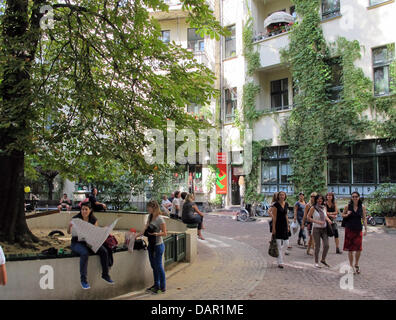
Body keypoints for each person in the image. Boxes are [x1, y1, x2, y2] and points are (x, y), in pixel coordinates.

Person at [67, 202, 114, 289]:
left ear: (90, 210)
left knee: (104, 251)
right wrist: (69, 227)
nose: (84, 211)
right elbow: (69, 232)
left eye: (86, 209)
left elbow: (96, 233)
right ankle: (83, 280)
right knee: (84, 253)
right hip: (77, 243)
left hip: (89, 242)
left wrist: (103, 230)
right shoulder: (76, 218)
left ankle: (105, 274)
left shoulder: (93, 219)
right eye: (82, 209)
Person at [136, 200, 167, 294]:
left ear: (153, 207)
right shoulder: (149, 217)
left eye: (148, 207)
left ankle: (162, 287)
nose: (147, 209)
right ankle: (156, 285)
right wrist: (135, 236)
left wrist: (156, 234)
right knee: (153, 266)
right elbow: (144, 229)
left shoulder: (160, 219)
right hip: (151, 245)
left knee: (158, 266)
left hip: (158, 245)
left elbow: (165, 233)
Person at [342, 191, 367, 274]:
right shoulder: (347, 206)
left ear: (359, 197)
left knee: (359, 249)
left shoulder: (362, 207)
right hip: (349, 229)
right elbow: (342, 215)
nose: (355, 198)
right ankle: (351, 265)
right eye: (353, 196)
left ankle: (356, 264)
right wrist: (347, 214)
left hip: (358, 229)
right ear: (351, 198)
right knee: (350, 249)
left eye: (356, 196)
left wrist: (366, 229)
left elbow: (364, 218)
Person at [308, 194, 333, 268]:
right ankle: (316, 262)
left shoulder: (324, 207)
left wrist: (328, 220)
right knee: (317, 246)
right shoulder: (313, 208)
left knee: (326, 245)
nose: (320, 200)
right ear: (316, 200)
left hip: (324, 229)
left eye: (321, 199)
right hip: (316, 229)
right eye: (318, 199)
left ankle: (323, 259)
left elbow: (325, 216)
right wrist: (317, 222)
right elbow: (308, 217)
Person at [271, 191, 290, 269]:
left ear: (285, 196)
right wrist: (273, 228)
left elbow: (286, 215)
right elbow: (274, 217)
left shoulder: (286, 204)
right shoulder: (275, 205)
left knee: (286, 243)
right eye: (281, 195)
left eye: (283, 195)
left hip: (285, 225)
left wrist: (288, 225)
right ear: (278, 196)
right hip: (278, 225)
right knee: (278, 244)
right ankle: (280, 262)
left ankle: (280, 252)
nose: (282, 196)